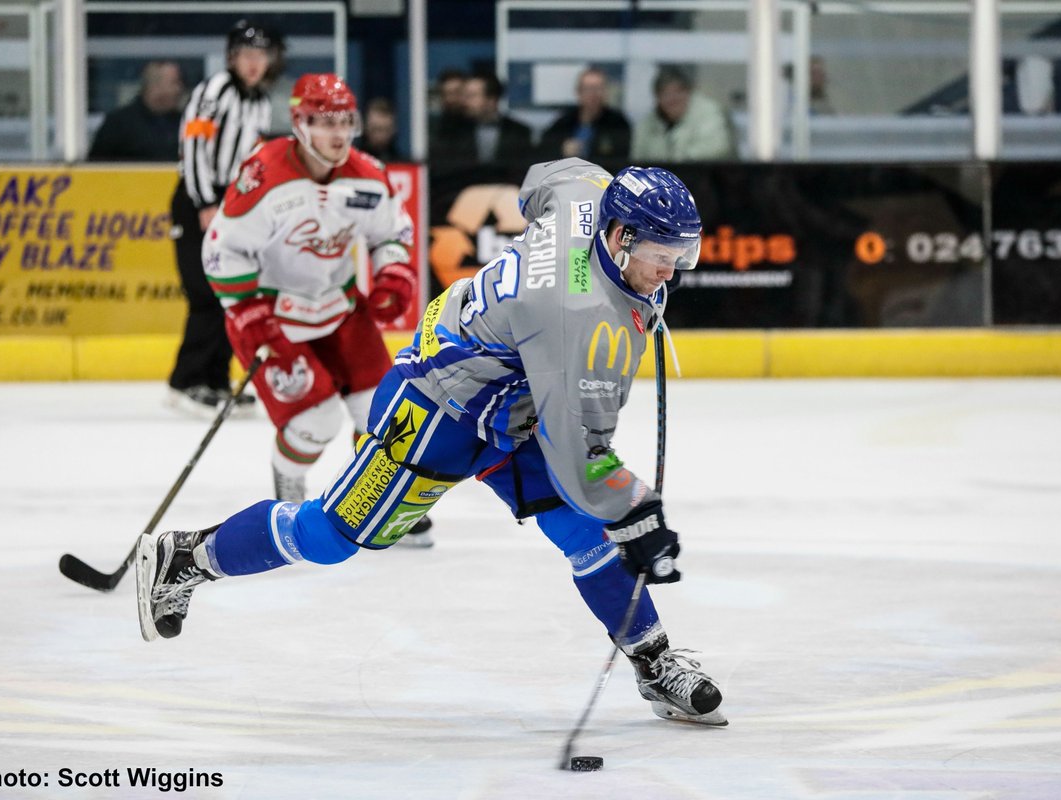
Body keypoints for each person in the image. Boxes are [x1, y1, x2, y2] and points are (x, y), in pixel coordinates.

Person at [135, 156, 727, 727]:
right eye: (661, 256)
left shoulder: (586, 194)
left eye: (684, 255)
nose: (671, 272)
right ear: (619, 236)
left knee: (585, 532)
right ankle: (189, 556)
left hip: (513, 398)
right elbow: (579, 454)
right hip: (440, 403)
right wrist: (636, 510)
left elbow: (541, 180)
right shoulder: (579, 319)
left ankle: (653, 663)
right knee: (331, 535)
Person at [199, 73, 432, 552]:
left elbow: (394, 232)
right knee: (318, 422)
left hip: (338, 308)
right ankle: (287, 489)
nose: (338, 134)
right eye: (325, 122)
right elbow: (221, 250)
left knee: (384, 411)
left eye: (346, 121)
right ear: (299, 123)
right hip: (269, 317)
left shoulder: (367, 174)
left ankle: (370, 505)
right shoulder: (263, 174)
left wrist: (392, 275)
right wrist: (248, 313)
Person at [165, 19, 282, 418]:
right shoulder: (215, 90)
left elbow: (253, 160)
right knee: (204, 292)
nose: (254, 63)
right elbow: (194, 145)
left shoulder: (261, 101)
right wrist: (203, 201)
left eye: (260, 55)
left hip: (230, 206)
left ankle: (215, 380)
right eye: (246, 55)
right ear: (232, 58)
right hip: (199, 201)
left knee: (229, 290)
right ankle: (186, 381)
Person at [88, 60, 185, 162]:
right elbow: (95, 167)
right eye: (175, 83)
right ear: (155, 86)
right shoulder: (118, 125)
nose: (179, 89)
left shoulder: (184, 123)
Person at [632, 67, 735, 162]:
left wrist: (678, 159)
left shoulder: (709, 113)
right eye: (666, 94)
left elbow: (718, 148)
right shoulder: (647, 124)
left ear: (689, 92)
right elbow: (637, 159)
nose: (673, 99)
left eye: (678, 91)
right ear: (657, 98)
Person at [538, 67, 631, 161]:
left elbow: (620, 157)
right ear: (578, 92)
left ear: (606, 92)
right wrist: (561, 149)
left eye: (598, 88)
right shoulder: (565, 121)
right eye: (589, 89)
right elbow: (544, 147)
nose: (594, 94)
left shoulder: (618, 123)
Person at [463, 72, 534, 164]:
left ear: (491, 99)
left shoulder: (519, 131)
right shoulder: (457, 130)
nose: (465, 101)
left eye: (471, 96)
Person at [427, 68, 474, 164]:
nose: (450, 99)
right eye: (445, 94)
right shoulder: (433, 130)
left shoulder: (478, 125)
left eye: (457, 92)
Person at [356, 97, 401, 162]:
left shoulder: (402, 164)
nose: (380, 136)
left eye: (386, 130)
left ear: (393, 130)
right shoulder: (354, 161)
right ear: (366, 127)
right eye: (376, 129)